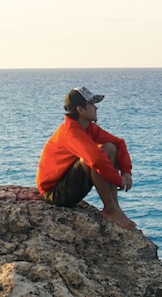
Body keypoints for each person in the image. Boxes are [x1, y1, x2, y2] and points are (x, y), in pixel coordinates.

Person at [36, 86, 137, 230]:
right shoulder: (71, 132)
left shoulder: (89, 128)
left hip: (69, 184)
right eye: (92, 104)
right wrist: (118, 180)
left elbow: (118, 143)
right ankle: (110, 208)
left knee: (109, 147)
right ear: (81, 110)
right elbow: (95, 160)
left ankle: (114, 207)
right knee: (91, 159)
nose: (96, 108)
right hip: (54, 193)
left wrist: (126, 172)